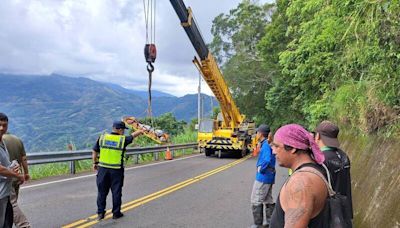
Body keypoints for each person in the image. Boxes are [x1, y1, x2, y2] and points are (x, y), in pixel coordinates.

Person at [270, 124, 328, 227]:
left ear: (292, 148)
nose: (273, 151)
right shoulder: (318, 169)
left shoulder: (299, 183)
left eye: (277, 146)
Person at [92, 121, 143, 220]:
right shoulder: (122, 140)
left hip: (102, 169)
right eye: (123, 130)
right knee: (116, 192)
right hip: (116, 170)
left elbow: (94, 150)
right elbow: (132, 136)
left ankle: (100, 213)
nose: (124, 132)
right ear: (119, 129)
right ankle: (116, 213)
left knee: (101, 192)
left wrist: (95, 163)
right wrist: (140, 130)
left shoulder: (102, 137)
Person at [314, 120, 353, 218]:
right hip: (344, 211)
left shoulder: (320, 159)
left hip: (328, 214)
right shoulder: (343, 156)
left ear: (318, 136)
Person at [0, 113, 25, 228]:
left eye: (4, 125)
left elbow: (6, 165)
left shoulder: (3, 143)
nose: (2, 128)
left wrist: (13, 166)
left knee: (7, 223)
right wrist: (17, 175)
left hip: (6, 193)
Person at [2, 133, 31, 228]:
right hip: (16, 177)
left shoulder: (3, 140)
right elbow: (24, 158)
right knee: (10, 205)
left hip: (6, 177)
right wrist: (26, 173)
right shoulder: (17, 140)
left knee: (11, 204)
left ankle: (23, 225)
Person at [250, 124, 276, 228]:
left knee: (256, 199)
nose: (256, 134)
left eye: (257, 132)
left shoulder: (265, 145)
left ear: (260, 134)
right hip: (269, 176)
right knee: (268, 199)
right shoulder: (268, 144)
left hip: (263, 177)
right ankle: (270, 223)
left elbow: (267, 159)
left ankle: (258, 225)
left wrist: (261, 168)